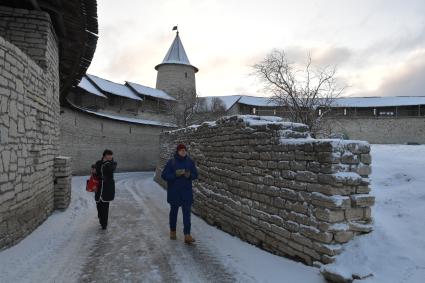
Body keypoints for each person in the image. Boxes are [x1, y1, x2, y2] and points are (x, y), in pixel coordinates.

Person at [161, 143, 198, 244]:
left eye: (184, 150)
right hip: (174, 192)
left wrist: (189, 175)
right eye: (181, 150)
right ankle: (173, 231)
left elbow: (195, 174)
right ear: (177, 151)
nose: (183, 152)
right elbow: (164, 175)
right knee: (174, 213)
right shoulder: (171, 162)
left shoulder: (190, 162)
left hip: (186, 192)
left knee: (187, 214)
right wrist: (175, 174)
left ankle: (187, 235)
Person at [94, 149, 117, 230]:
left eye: (111, 155)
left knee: (105, 207)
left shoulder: (113, 164)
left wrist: (107, 163)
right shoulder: (98, 163)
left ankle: (104, 224)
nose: (110, 156)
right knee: (98, 205)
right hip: (99, 187)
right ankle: (101, 218)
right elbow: (95, 172)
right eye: (108, 155)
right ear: (104, 155)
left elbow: (111, 169)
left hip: (107, 188)